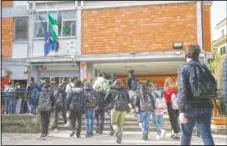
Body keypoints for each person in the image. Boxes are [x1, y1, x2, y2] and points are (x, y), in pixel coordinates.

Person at [178, 44, 215, 145]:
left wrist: (181, 111)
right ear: (198, 55)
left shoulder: (184, 69)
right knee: (206, 135)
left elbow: (182, 91)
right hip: (206, 105)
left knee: (186, 135)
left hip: (189, 107)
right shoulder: (205, 67)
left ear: (185, 55)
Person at [104, 79, 132, 144]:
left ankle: (118, 132)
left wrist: (109, 105)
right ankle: (120, 138)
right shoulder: (125, 90)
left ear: (114, 83)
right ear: (121, 83)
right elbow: (129, 100)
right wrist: (130, 108)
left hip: (115, 108)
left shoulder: (111, 89)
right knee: (121, 124)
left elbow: (105, 99)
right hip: (123, 109)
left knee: (114, 123)